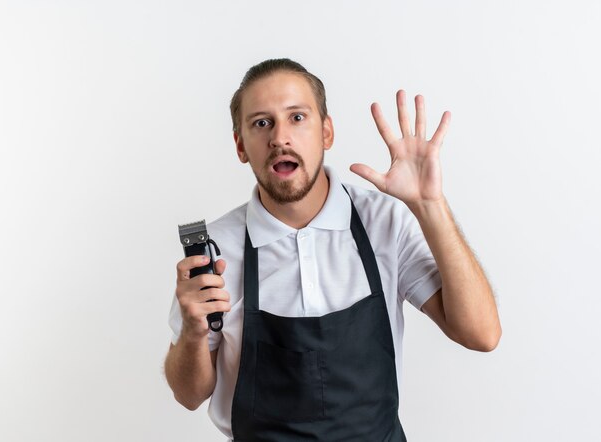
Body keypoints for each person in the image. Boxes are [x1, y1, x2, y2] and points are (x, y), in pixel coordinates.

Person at [164, 58, 501, 441]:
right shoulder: (216, 251)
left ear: (326, 132)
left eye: (297, 117)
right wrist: (193, 333)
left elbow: (482, 334)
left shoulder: (385, 223)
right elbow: (189, 394)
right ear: (241, 145)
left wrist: (430, 206)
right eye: (262, 123)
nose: (279, 138)